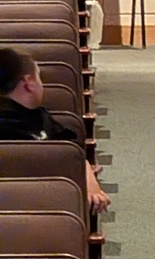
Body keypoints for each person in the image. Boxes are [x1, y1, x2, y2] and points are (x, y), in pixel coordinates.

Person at [0, 47, 110, 214]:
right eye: (39, 77)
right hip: (42, 209)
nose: (42, 85)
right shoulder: (19, 122)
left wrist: (89, 179)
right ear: (28, 82)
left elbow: (72, 152)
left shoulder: (38, 116)